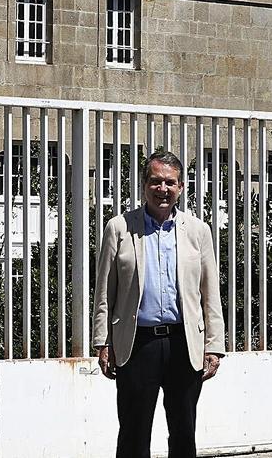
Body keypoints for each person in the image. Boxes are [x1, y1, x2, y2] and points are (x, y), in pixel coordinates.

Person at [92, 150, 226, 458]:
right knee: (133, 436)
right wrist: (103, 343)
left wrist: (214, 346)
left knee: (183, 434)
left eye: (169, 182)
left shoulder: (198, 231)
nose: (162, 189)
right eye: (155, 182)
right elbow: (104, 293)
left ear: (180, 187)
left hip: (184, 343)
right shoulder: (120, 228)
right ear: (143, 185)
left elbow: (210, 294)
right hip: (137, 344)